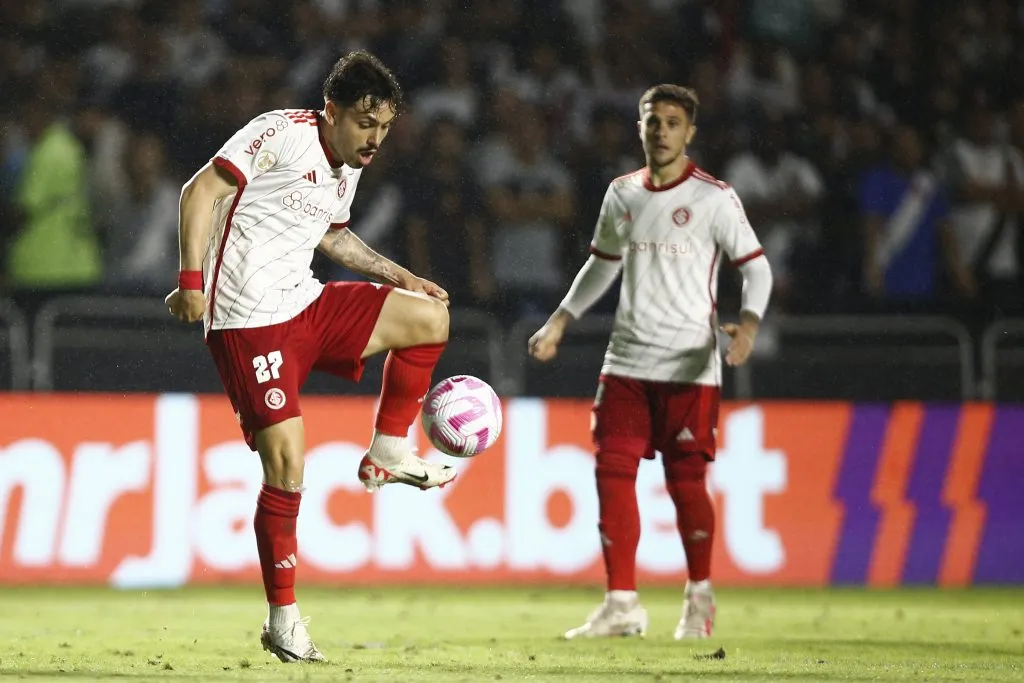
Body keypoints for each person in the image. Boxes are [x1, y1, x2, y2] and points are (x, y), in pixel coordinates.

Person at [165, 51, 456, 663]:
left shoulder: (347, 164)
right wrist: (191, 281)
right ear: (332, 111)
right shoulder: (280, 134)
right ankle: (284, 618)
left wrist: (404, 276)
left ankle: (388, 451)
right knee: (288, 464)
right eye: (364, 124)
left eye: (384, 128)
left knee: (429, 317)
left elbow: (333, 233)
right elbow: (199, 192)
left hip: (307, 305)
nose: (374, 140)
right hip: (249, 325)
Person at [528, 84, 773, 640]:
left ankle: (699, 596)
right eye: (652, 120)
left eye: (671, 122)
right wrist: (561, 319)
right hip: (626, 361)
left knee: (686, 484)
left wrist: (750, 324)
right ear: (640, 128)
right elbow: (601, 265)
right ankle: (621, 603)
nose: (660, 130)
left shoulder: (715, 198)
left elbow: (756, 269)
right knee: (611, 472)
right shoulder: (622, 194)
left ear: (690, 132)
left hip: (688, 365)